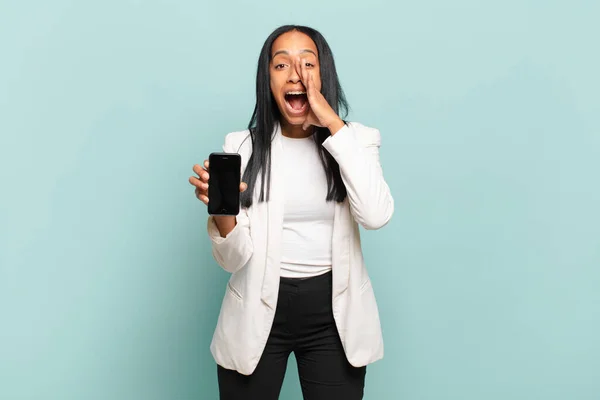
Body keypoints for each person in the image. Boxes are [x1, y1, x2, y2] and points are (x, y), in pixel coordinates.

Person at [189, 24, 394, 400]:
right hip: (257, 307)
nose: (296, 73)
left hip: (334, 316)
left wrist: (333, 124)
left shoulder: (358, 140)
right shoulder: (242, 147)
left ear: (323, 75)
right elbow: (233, 260)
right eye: (281, 65)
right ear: (267, 79)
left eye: (308, 63)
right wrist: (223, 213)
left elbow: (376, 215)